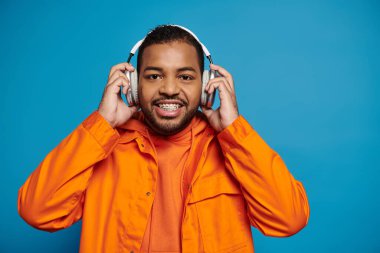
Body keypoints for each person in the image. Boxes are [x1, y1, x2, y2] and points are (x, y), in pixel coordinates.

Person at [17, 24, 310, 253]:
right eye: (154, 76)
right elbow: (37, 211)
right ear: (132, 84)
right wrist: (101, 124)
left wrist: (234, 130)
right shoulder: (102, 146)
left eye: (185, 77)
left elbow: (289, 218)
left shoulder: (232, 148)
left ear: (207, 85)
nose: (169, 89)